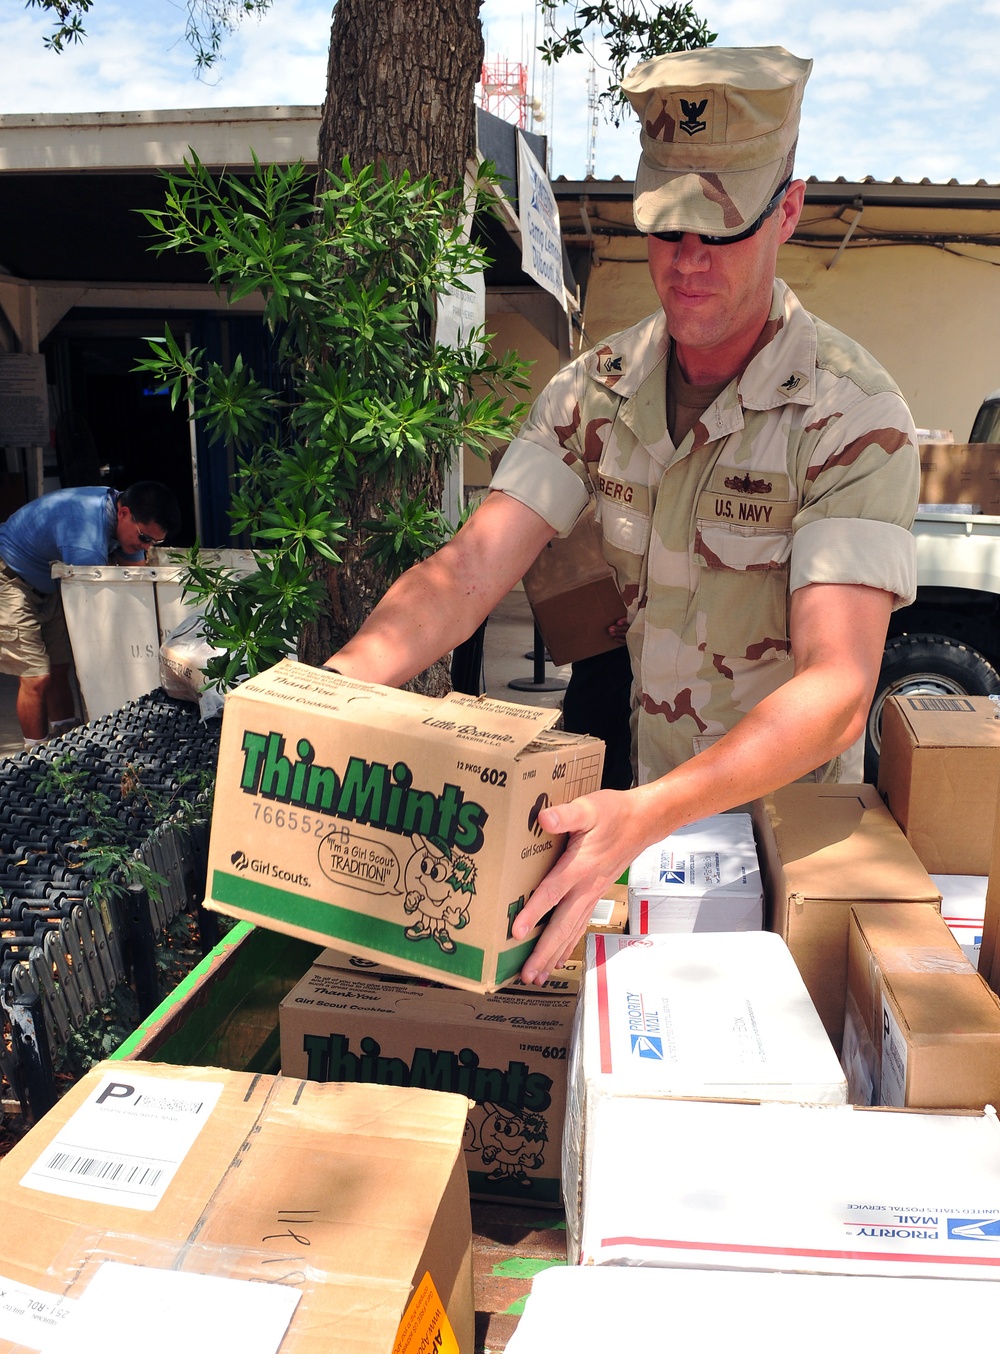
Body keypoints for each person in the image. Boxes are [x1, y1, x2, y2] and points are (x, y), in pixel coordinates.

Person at [319, 46, 920, 986]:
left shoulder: (849, 417)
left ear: (787, 211)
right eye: (667, 227)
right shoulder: (595, 394)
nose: (687, 262)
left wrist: (649, 811)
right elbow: (468, 572)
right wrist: (326, 699)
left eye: (720, 230)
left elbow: (839, 688)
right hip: (643, 832)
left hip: (786, 849)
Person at [0, 481, 181, 746]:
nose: (146, 546)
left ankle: (65, 741)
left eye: (155, 542)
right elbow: (95, 612)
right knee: (36, 676)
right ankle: (35, 756)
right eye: (144, 538)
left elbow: (138, 573)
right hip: (9, 578)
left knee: (59, 666)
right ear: (124, 513)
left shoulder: (118, 513)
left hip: (45, 583)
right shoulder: (87, 541)